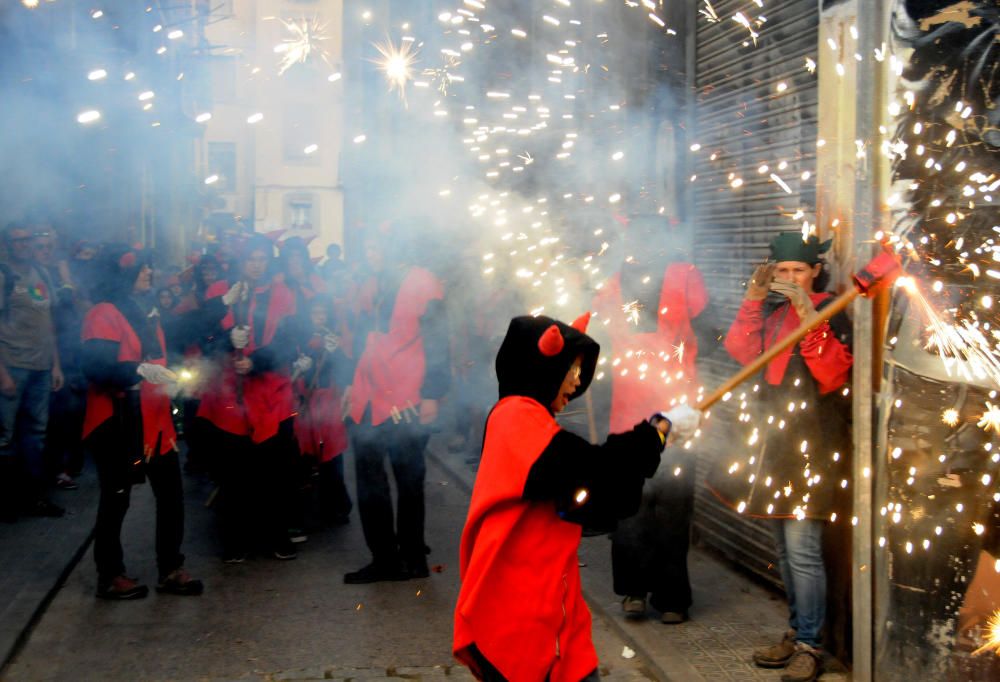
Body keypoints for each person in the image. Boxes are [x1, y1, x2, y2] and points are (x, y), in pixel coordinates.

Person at [452, 313, 700, 682]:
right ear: (543, 365)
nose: (578, 380)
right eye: (572, 368)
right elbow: (589, 472)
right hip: (519, 616)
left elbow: (587, 501)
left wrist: (655, 435)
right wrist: (656, 432)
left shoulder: (526, 417)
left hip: (551, 606)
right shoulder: (516, 417)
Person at [709, 232, 852, 682]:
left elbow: (833, 374)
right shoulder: (770, 311)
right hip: (772, 442)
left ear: (815, 273)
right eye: (782, 272)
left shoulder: (834, 310)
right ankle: (797, 630)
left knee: (803, 549)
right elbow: (740, 351)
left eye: (798, 271)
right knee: (783, 551)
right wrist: (753, 297)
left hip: (811, 444)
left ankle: (812, 644)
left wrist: (810, 315)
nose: (790, 279)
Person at [591, 223, 708, 624]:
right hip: (627, 415)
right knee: (629, 510)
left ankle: (673, 596)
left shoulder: (685, 275)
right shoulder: (609, 284)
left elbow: (709, 328)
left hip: (677, 415)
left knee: (674, 512)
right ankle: (634, 591)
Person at [81, 244, 203, 599]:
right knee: (116, 500)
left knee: (171, 496)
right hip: (118, 424)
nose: (149, 273)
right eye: (142, 269)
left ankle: (170, 568)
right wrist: (137, 369)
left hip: (156, 421)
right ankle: (110, 575)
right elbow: (95, 367)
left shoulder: (141, 309)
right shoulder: (102, 312)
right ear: (122, 274)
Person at [342, 227, 450, 583]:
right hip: (369, 398)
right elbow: (359, 338)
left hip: (407, 397)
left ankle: (413, 558)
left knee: (409, 480)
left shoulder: (424, 283)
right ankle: (385, 558)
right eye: (367, 246)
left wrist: (433, 394)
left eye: (375, 246)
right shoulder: (373, 284)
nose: (370, 253)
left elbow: (437, 341)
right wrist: (348, 384)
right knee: (370, 481)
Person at [197, 234, 301, 562]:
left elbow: (288, 341)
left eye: (262, 258)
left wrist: (255, 361)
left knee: (276, 472)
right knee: (235, 474)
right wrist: (228, 342)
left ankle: (276, 535)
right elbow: (203, 336)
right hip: (231, 396)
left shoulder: (283, 294)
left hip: (272, 393)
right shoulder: (220, 294)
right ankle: (235, 540)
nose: (257, 265)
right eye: (251, 258)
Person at [0, 223, 65, 521]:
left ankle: (35, 499)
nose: (24, 244)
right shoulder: (4, 276)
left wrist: (55, 364)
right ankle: (7, 503)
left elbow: (49, 321)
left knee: (36, 436)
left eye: (27, 239)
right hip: (13, 367)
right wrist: (2, 374)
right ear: (8, 245)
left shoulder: (42, 273)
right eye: (18, 241)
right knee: (5, 439)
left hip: (41, 368)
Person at [293, 294, 353, 526]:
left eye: (322, 313)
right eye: (315, 313)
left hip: (327, 402)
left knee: (331, 456)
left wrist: (336, 352)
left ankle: (338, 506)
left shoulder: (335, 339)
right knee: (305, 455)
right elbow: (292, 370)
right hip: (305, 401)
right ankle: (309, 507)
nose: (319, 318)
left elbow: (346, 369)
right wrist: (299, 366)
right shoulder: (302, 338)